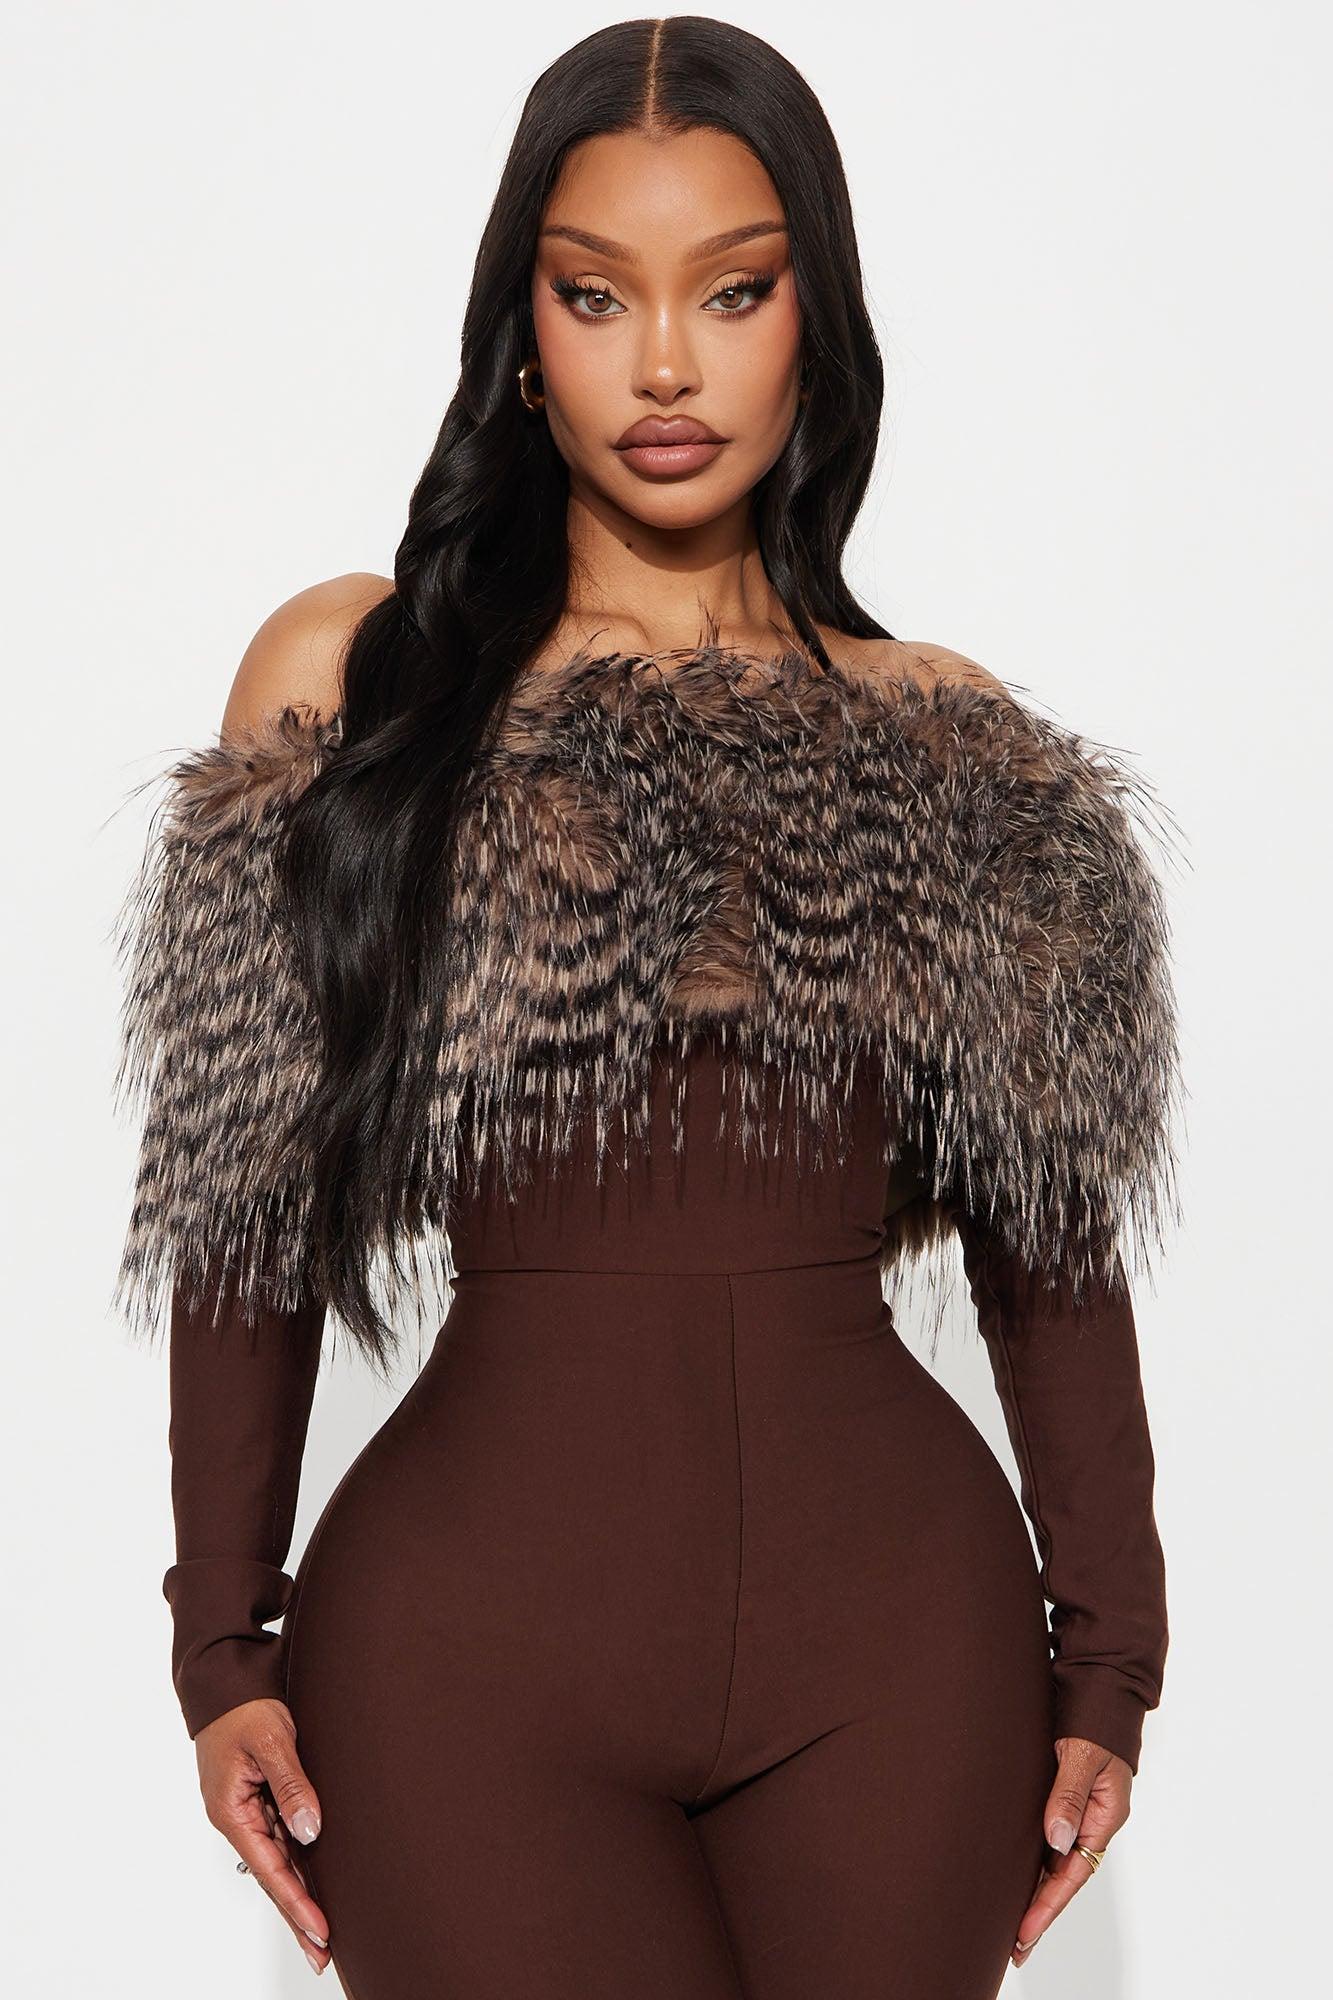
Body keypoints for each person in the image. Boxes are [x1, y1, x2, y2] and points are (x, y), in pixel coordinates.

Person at [111, 18, 1182, 1999]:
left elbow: (1051, 1240)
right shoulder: (362, 687)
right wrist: (221, 1645)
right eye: (597, 294)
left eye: (734, 291)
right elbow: (243, 1199)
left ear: (814, 323)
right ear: (523, 333)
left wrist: (1110, 1656)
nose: (666, 364)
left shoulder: (942, 736)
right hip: (469, 1663)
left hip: (902, 1658)